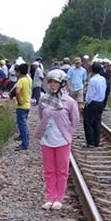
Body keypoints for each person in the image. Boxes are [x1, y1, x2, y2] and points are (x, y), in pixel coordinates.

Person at [33, 70, 79, 210]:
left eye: (55, 82)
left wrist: (67, 132)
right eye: (50, 82)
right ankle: (50, 197)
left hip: (62, 139)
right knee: (49, 170)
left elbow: (75, 120)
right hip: (47, 139)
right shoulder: (44, 100)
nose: (52, 85)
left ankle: (59, 198)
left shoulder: (69, 101)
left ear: (61, 84)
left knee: (62, 170)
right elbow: (42, 116)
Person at [83, 62, 107, 148]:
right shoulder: (103, 79)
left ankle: (90, 142)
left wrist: (86, 103)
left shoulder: (92, 80)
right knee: (97, 122)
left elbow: (90, 94)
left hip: (92, 102)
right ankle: (97, 141)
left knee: (88, 122)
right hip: (100, 102)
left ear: (92, 70)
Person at [15, 63, 32, 151]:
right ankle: (25, 139)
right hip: (27, 105)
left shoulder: (21, 81)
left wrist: (19, 101)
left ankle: (25, 144)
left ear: (19, 71)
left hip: (21, 106)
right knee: (24, 124)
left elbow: (17, 92)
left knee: (22, 125)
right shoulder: (29, 79)